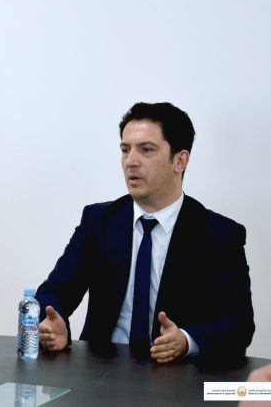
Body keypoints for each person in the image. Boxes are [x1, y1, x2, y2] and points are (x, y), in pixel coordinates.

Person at [36, 102, 255, 363]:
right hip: (102, 370)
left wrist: (186, 341)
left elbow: (239, 324)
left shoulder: (219, 235)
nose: (131, 161)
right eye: (125, 150)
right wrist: (54, 322)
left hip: (178, 376)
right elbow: (54, 291)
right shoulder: (99, 221)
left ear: (180, 161)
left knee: (260, 388)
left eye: (146, 150)